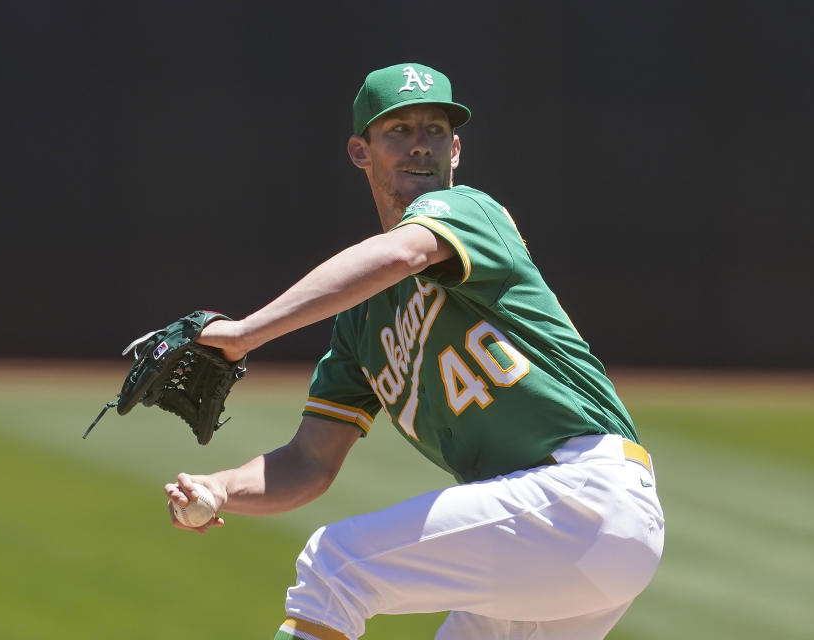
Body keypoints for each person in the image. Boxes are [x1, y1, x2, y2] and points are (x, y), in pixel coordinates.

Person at [164, 62, 664, 640]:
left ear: (456, 151)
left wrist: (245, 333)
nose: (419, 146)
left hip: (581, 496)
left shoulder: (471, 212)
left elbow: (401, 254)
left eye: (435, 131)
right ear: (360, 151)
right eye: (398, 130)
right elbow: (309, 462)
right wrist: (221, 486)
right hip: (555, 534)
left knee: (336, 565)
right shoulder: (361, 326)